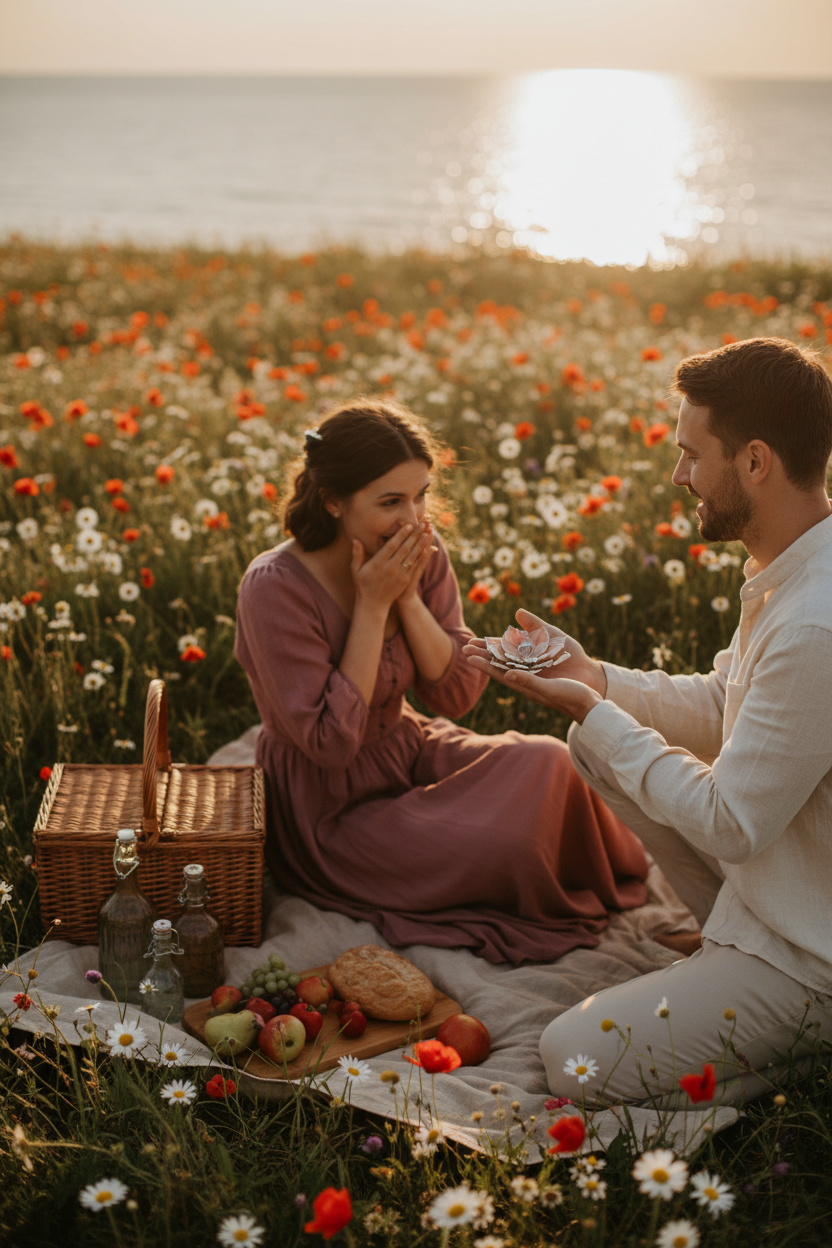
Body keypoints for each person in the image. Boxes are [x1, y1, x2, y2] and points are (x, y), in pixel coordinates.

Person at [465, 337, 832, 1103]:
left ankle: (804, 1048)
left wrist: (598, 712)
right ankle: (728, 958)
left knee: (573, 1059)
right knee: (592, 746)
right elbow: (720, 706)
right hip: (791, 891)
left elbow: (731, 824)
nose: (679, 476)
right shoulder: (794, 568)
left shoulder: (811, 625)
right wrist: (593, 679)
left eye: (694, 455)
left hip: (814, 951)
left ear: (756, 462)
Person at [234, 398, 650, 965]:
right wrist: (373, 607)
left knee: (551, 762)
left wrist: (406, 597)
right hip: (329, 807)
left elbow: (456, 694)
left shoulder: (418, 552)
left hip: (408, 747)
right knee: (509, 838)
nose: (413, 518)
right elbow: (330, 744)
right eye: (390, 502)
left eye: (421, 495)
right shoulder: (273, 587)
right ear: (333, 501)